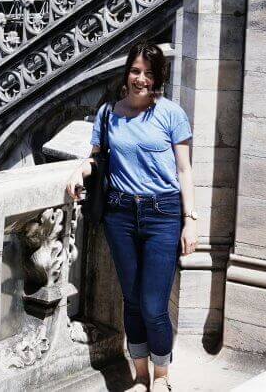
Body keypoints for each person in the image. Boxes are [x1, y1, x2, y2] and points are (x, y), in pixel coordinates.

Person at [66, 41, 195, 392]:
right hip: (120, 214)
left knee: (154, 305)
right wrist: (81, 171)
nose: (141, 79)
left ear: (158, 77)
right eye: (136, 71)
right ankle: (139, 375)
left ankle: (162, 376)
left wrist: (191, 220)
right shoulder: (109, 113)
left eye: (149, 73)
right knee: (133, 300)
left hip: (162, 213)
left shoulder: (170, 114)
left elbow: (184, 170)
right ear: (127, 73)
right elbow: (98, 157)